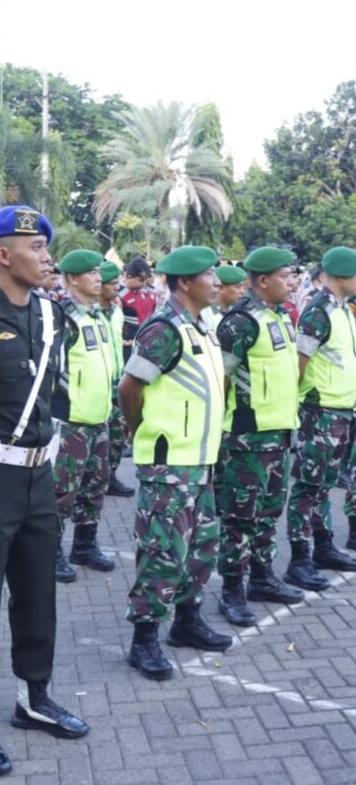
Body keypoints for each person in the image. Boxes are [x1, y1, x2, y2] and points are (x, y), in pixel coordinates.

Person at [0, 206, 88, 777]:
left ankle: (34, 698)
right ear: (3, 255)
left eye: (45, 247)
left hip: (39, 475)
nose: (46, 257)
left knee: (38, 593)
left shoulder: (55, 317)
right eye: (35, 248)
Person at [118, 246, 232, 681]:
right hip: (170, 464)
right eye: (209, 275)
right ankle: (144, 640)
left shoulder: (203, 327)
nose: (217, 281)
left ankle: (187, 622)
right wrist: (139, 428)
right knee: (163, 550)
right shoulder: (163, 329)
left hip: (201, 459)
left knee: (202, 547)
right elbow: (129, 388)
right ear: (185, 282)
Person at [214, 248, 305, 627]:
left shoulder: (278, 317)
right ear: (263, 280)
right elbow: (220, 378)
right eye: (285, 276)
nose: (293, 282)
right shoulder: (240, 322)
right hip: (245, 440)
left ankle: (263, 577)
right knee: (239, 517)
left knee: (268, 511)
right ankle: (232, 589)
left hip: (278, 434)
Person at [284, 247, 356, 590]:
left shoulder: (344, 311)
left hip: (342, 412)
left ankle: (324, 547)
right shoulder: (318, 312)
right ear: (342, 275)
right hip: (321, 413)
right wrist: (297, 407)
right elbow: (300, 362)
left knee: (324, 486)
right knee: (307, 488)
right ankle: (299, 559)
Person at [51, 249, 116, 584]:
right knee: (63, 489)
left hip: (98, 418)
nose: (98, 278)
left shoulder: (97, 315)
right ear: (73, 278)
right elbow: (53, 370)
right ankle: (52, 553)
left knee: (96, 484)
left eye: (99, 272)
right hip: (72, 420)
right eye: (91, 273)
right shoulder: (64, 316)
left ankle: (84, 546)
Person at [98, 262, 135, 498]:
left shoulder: (117, 312)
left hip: (115, 384)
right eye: (111, 284)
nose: (117, 287)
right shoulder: (89, 314)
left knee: (116, 438)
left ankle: (111, 477)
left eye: (116, 283)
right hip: (96, 388)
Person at [121, 256, 157, 362]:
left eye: (145, 280)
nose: (143, 284)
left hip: (145, 344)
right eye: (140, 280)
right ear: (128, 276)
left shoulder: (148, 293)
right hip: (126, 347)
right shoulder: (119, 296)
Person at [202, 264, 248, 330]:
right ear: (221, 288)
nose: (242, 291)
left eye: (243, 286)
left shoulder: (236, 312)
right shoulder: (206, 314)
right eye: (238, 286)